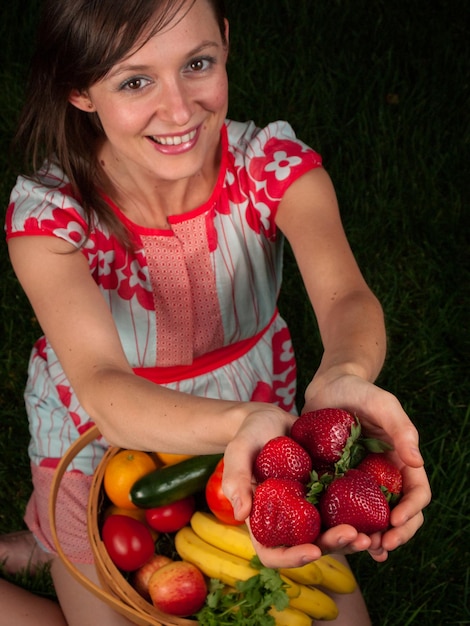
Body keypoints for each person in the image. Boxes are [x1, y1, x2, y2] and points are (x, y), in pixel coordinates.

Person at [1, 0, 431, 624]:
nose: (179, 111)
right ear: (80, 91)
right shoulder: (51, 220)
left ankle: (54, 555)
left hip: (256, 421)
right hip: (100, 440)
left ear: (226, 43)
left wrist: (346, 376)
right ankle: (57, 539)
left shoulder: (272, 168)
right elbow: (102, 386)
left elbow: (348, 299)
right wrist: (245, 423)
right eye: (135, 81)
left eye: (197, 63)